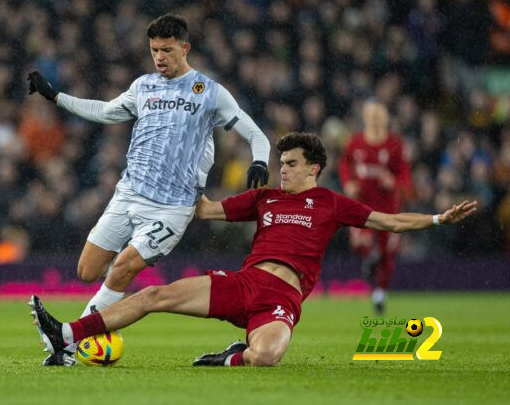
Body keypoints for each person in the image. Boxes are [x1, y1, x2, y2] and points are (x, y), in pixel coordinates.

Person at [29, 132, 477, 367]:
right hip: (245, 282)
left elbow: (390, 221)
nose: (281, 170)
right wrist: (169, 180)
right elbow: (203, 210)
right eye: (280, 163)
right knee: (153, 296)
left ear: (313, 168)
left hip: (282, 300)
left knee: (267, 356)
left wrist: (438, 218)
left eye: (290, 164)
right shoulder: (265, 198)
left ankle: (231, 357)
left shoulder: (330, 203)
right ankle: (66, 334)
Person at [26, 14, 270, 365]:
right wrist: (56, 97)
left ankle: (66, 341)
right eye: (154, 50)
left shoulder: (209, 92)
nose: (159, 57)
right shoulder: (143, 86)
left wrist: (259, 161)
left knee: (124, 267)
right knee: (87, 271)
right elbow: (106, 112)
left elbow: (255, 133)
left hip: (172, 207)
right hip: (128, 193)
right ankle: (67, 343)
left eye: (167, 50)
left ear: (185, 48)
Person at [338, 98, 412, 314]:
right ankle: (369, 257)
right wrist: (348, 183)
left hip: (388, 208)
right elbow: (344, 164)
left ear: (386, 117)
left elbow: (405, 175)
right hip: (361, 205)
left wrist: (395, 182)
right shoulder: (355, 142)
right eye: (371, 115)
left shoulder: (395, 144)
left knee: (388, 252)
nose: (375, 118)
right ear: (365, 117)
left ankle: (380, 293)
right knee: (359, 243)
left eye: (379, 114)